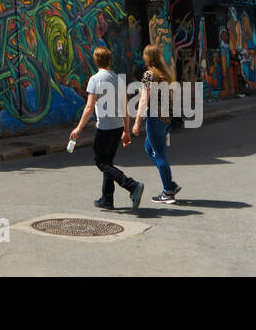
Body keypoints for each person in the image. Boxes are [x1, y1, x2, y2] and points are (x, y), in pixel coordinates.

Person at [69, 47, 144, 211]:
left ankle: (132, 185)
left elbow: (89, 108)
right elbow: (125, 107)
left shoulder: (95, 79)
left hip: (105, 126)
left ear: (95, 61)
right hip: (117, 126)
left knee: (101, 162)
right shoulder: (118, 79)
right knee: (108, 162)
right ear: (109, 60)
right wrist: (126, 130)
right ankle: (107, 199)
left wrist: (79, 128)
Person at [132, 43, 182, 203]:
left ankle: (168, 191)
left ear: (147, 58)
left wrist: (137, 122)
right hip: (166, 118)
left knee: (159, 154)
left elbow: (144, 100)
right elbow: (172, 97)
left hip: (154, 118)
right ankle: (170, 184)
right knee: (149, 148)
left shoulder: (149, 75)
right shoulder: (165, 74)